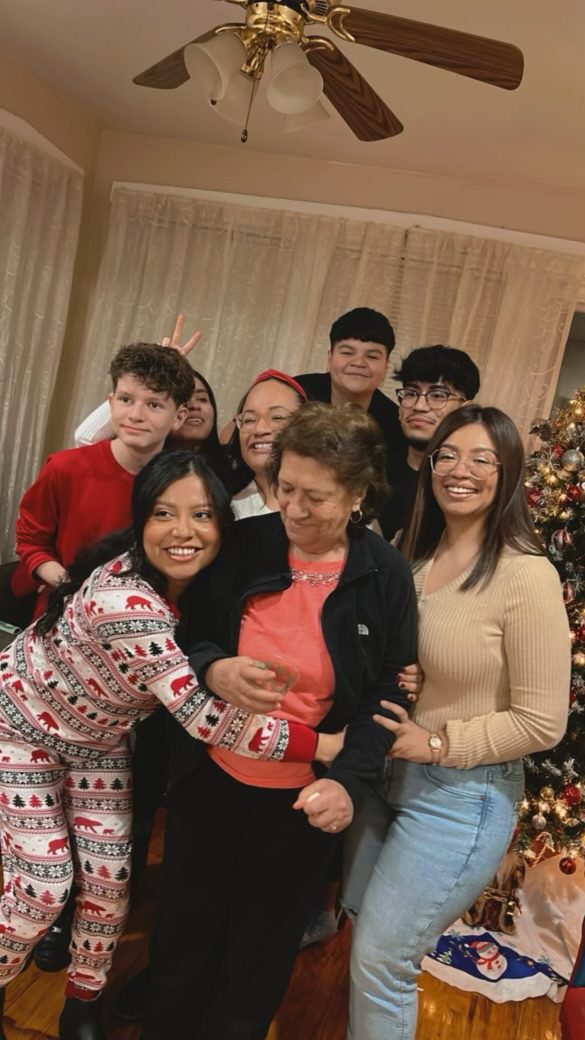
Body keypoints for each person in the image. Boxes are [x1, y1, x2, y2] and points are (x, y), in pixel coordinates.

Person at [0, 451, 335, 1040]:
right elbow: (206, 720)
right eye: (164, 514)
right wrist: (325, 745)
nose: (184, 531)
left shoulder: (204, 585)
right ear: (141, 520)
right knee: (45, 883)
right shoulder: (126, 601)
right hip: (21, 731)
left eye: (202, 514)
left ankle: (82, 1002)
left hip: (97, 743)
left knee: (108, 882)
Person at [139, 402, 418, 1040]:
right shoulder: (247, 542)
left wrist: (348, 781)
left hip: (301, 797)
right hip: (211, 776)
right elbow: (190, 633)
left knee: (259, 954)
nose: (292, 508)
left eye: (314, 497)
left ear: (356, 496)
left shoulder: (383, 574)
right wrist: (214, 669)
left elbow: (385, 692)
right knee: (183, 933)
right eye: (283, 487)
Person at [346, 404, 571, 1040]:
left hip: (460, 799)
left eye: (481, 459)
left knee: (382, 960)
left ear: (509, 474)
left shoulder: (525, 575)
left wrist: (442, 741)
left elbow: (542, 721)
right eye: (447, 454)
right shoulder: (413, 557)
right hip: (383, 781)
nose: (459, 470)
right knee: (365, 938)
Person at [12, 342, 195, 616]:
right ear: (110, 402)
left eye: (154, 405)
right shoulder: (66, 468)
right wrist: (70, 585)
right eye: (125, 400)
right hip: (63, 615)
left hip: (143, 621)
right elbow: (31, 540)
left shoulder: (185, 485)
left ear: (179, 416)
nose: (135, 415)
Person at [379, 345, 480, 540]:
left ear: (465, 409)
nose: (419, 406)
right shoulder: (373, 471)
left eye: (438, 396)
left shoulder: (465, 485)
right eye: (411, 393)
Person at [294, 307, 403, 462]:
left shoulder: (395, 425)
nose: (359, 363)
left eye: (372, 356)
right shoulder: (295, 394)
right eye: (347, 353)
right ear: (330, 358)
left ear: (386, 366)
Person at [226, 369, 308, 517]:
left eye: (277, 417)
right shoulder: (228, 510)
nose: (259, 429)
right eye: (249, 420)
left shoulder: (332, 503)